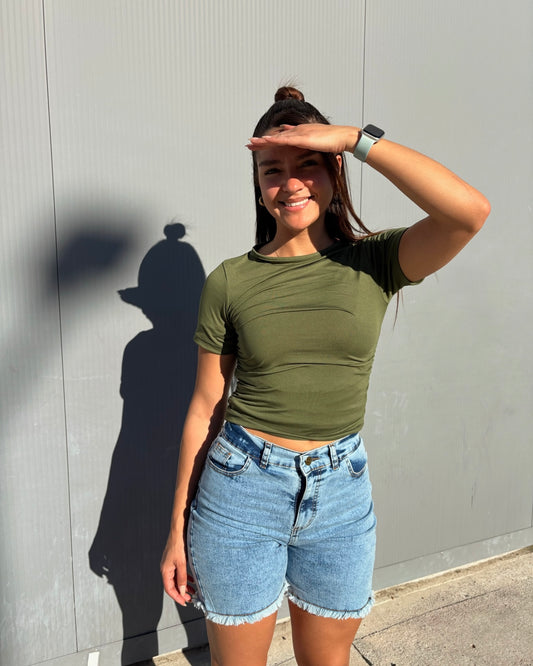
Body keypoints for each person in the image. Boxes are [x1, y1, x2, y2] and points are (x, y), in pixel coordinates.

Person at [160, 86, 490, 666]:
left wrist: (355, 140)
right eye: (272, 170)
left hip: (340, 495)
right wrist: (176, 526)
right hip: (240, 491)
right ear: (258, 184)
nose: (290, 183)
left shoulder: (375, 261)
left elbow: (468, 213)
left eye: (308, 164)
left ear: (335, 170)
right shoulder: (230, 281)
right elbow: (206, 404)